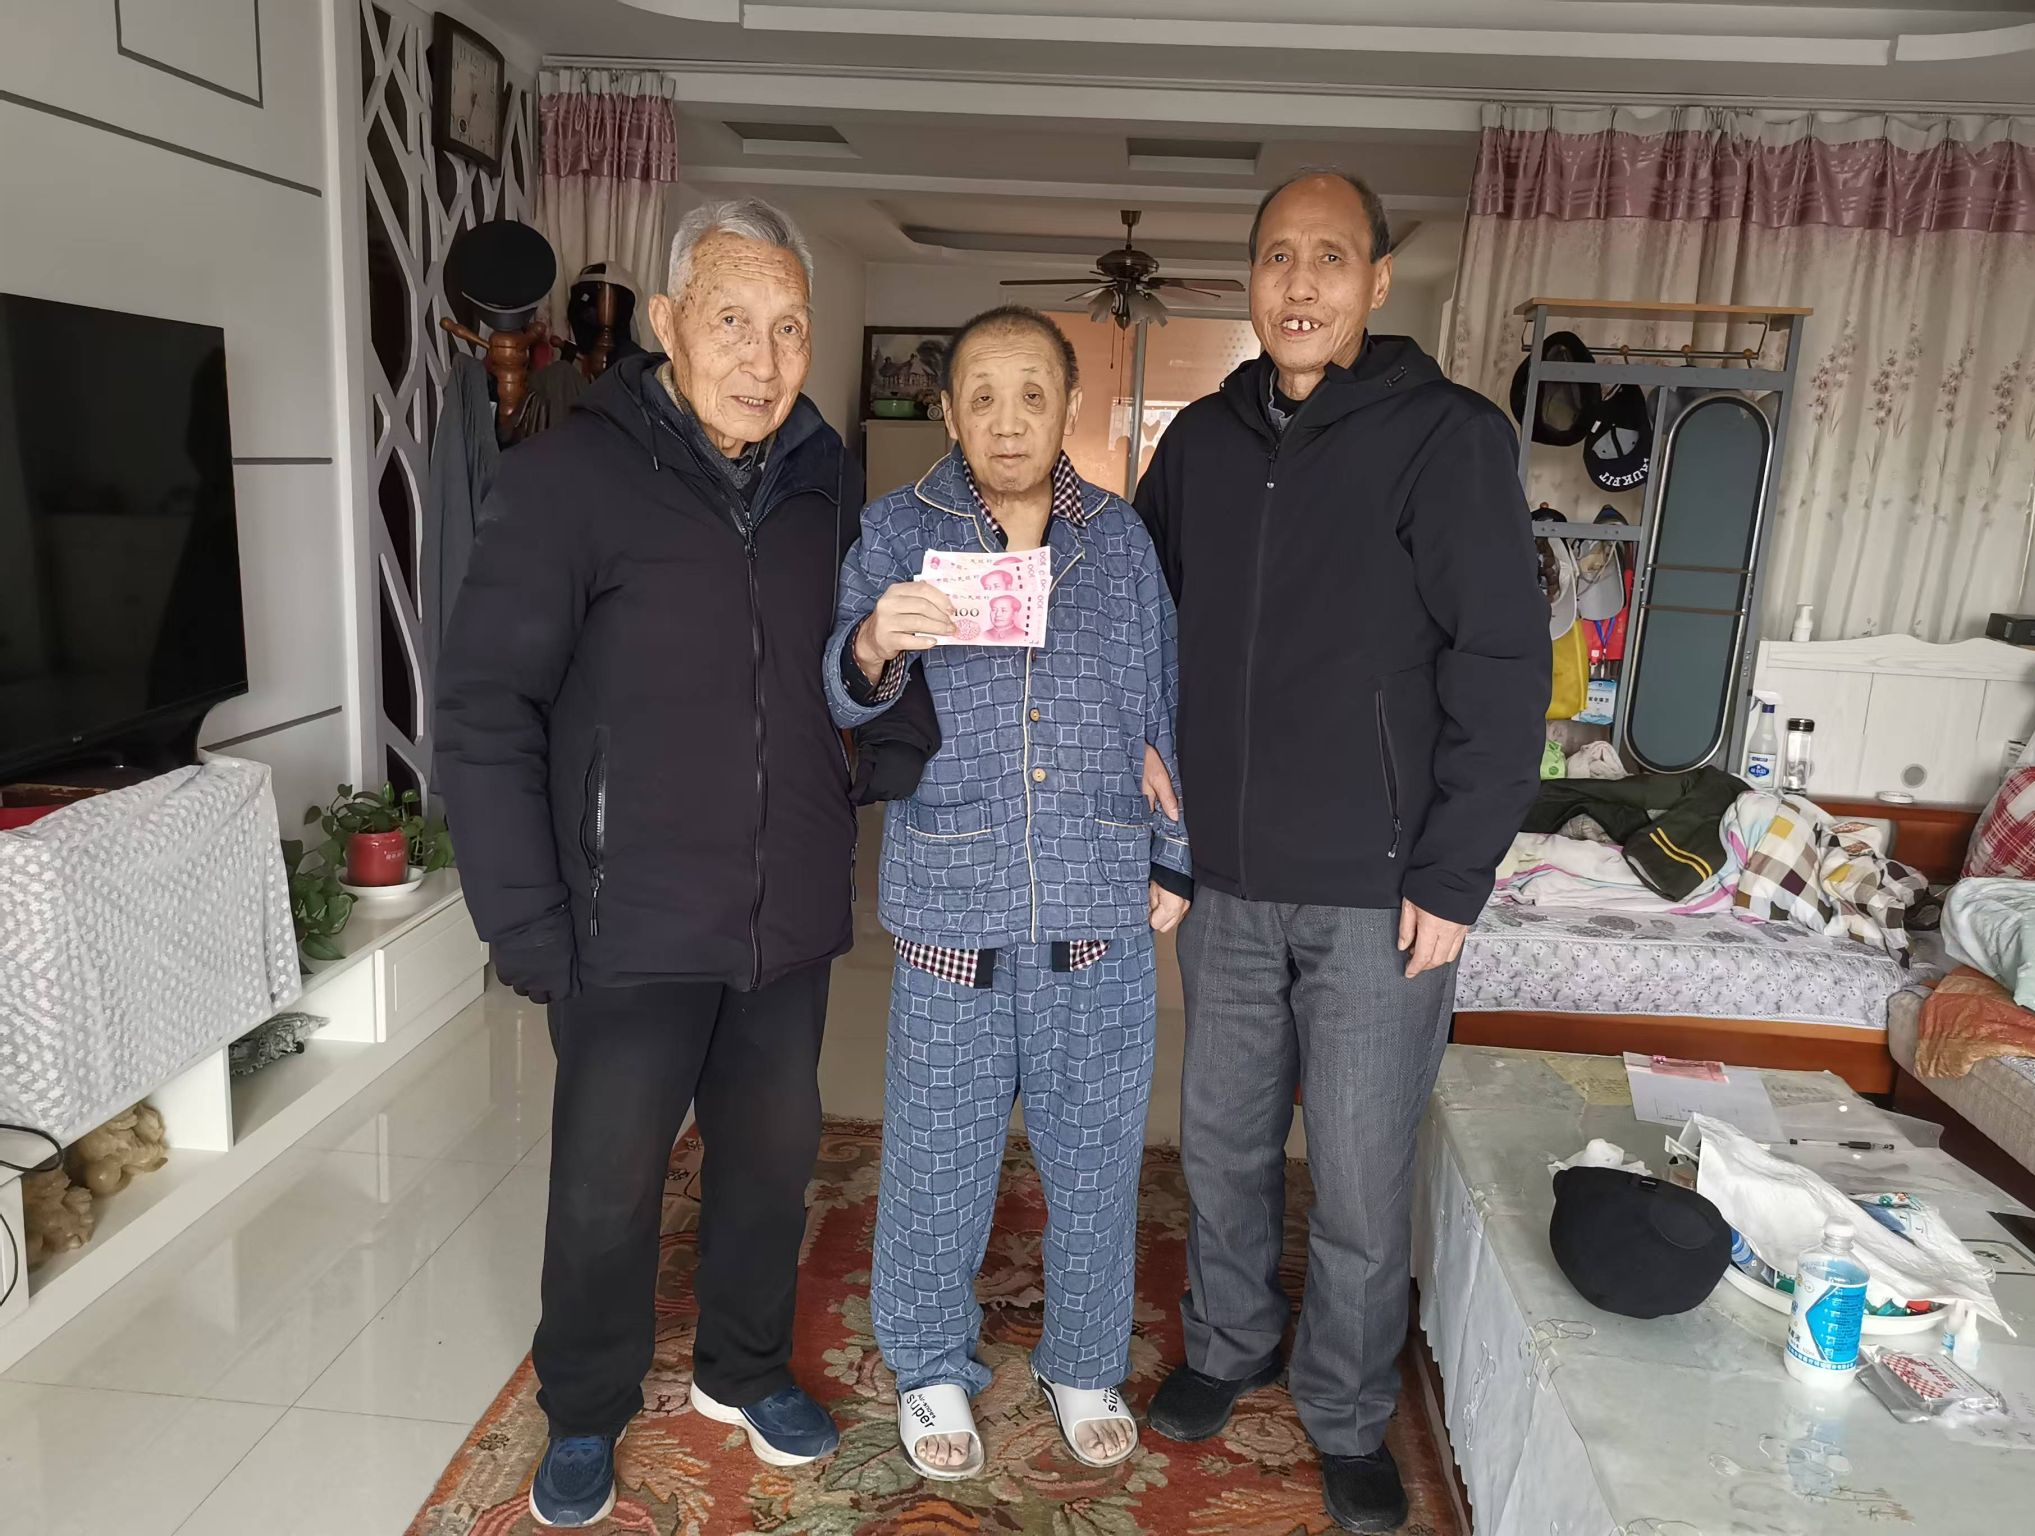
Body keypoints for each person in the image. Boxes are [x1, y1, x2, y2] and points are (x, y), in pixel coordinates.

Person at [435, 197, 936, 1529]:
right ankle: (584, 1406)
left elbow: (874, 656)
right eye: (731, 321)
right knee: (606, 1190)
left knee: (770, 1166)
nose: (763, 361)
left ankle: (743, 1367)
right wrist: (523, 920)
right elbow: (485, 712)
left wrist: (881, 753)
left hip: (783, 916)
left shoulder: (831, 486)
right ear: (666, 324)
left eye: (788, 328)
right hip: (626, 917)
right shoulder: (567, 482)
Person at [1134, 169, 1548, 1533]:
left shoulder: (1448, 438)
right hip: (1224, 880)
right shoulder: (1198, 443)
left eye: (1328, 257)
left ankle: (1347, 1408)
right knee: (1223, 1143)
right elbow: (1139, 618)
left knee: (1363, 1176)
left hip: (1380, 895)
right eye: (1275, 257)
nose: (1299, 282)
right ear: (1249, 282)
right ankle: (1227, 1342)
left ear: (1375, 281)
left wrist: (1455, 873)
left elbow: (1503, 664)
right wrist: (1146, 779)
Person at [824, 305, 1194, 1480]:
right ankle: (930, 1364)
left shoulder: (1117, 542)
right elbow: (840, 691)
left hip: (1095, 897)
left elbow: (1162, 703)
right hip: (954, 899)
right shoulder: (896, 530)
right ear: (947, 412)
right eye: (980, 396)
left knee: (1094, 1157)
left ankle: (1081, 1359)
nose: (1006, 420)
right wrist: (872, 644)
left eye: (1031, 394)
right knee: (936, 1157)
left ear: (1068, 407)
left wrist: (1173, 851)